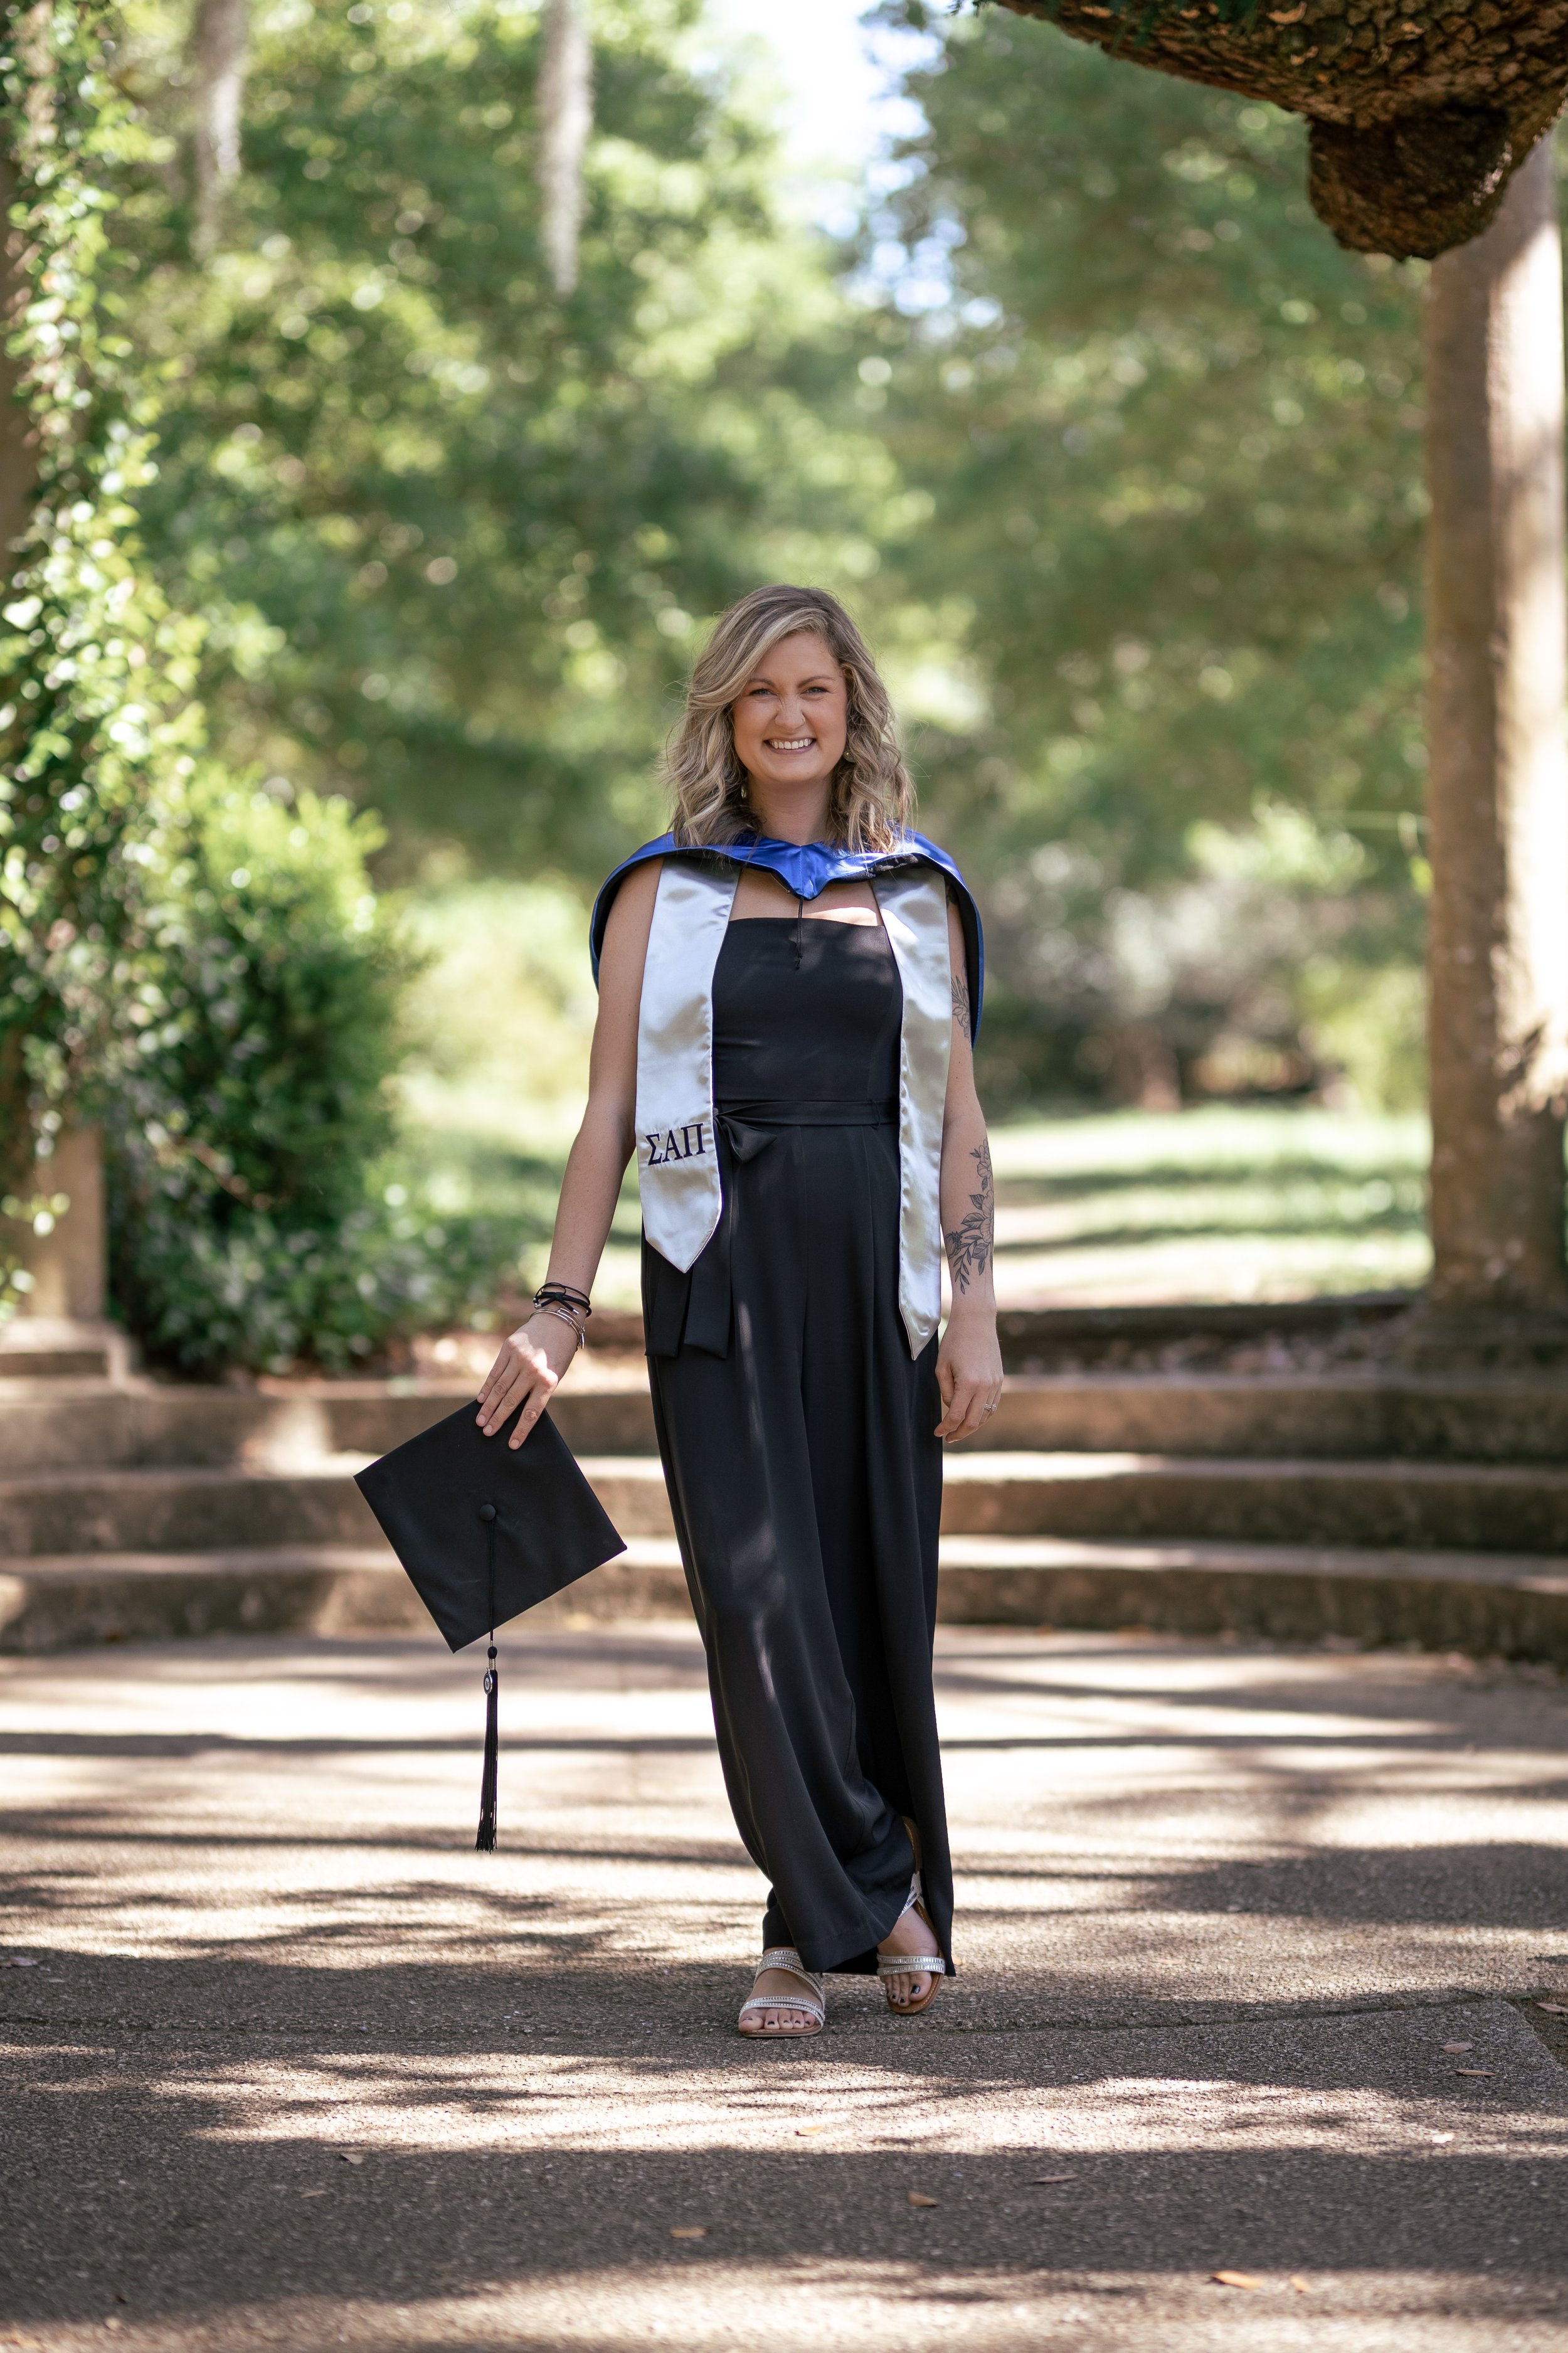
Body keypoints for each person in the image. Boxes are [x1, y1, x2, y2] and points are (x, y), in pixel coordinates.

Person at [476, 583, 1001, 2038]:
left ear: (851, 712)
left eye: (814, 692)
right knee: (761, 1607)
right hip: (720, 1276)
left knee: (869, 1597)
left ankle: (798, 1936)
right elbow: (606, 1123)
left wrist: (976, 1310)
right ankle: (880, 1893)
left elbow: (958, 1123)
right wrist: (560, 1305)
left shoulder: (917, 895)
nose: (787, 715)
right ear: (723, 711)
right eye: (760, 691)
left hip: (879, 1277)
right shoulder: (666, 890)